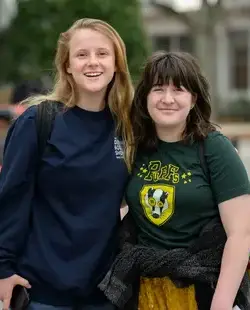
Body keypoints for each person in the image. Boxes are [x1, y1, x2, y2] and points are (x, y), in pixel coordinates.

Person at [0, 18, 134, 310]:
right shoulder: (38, 122)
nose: (92, 62)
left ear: (116, 64)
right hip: (43, 293)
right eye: (82, 55)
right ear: (67, 66)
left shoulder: (127, 128)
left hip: (104, 295)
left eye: (102, 54)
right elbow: (10, 200)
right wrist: (3, 269)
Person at [98, 51, 250, 309]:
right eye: (158, 89)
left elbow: (241, 234)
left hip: (203, 289)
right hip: (144, 292)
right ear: (145, 96)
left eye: (178, 90)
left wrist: (221, 304)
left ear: (193, 99)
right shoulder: (134, 148)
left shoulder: (214, 148)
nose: (167, 99)